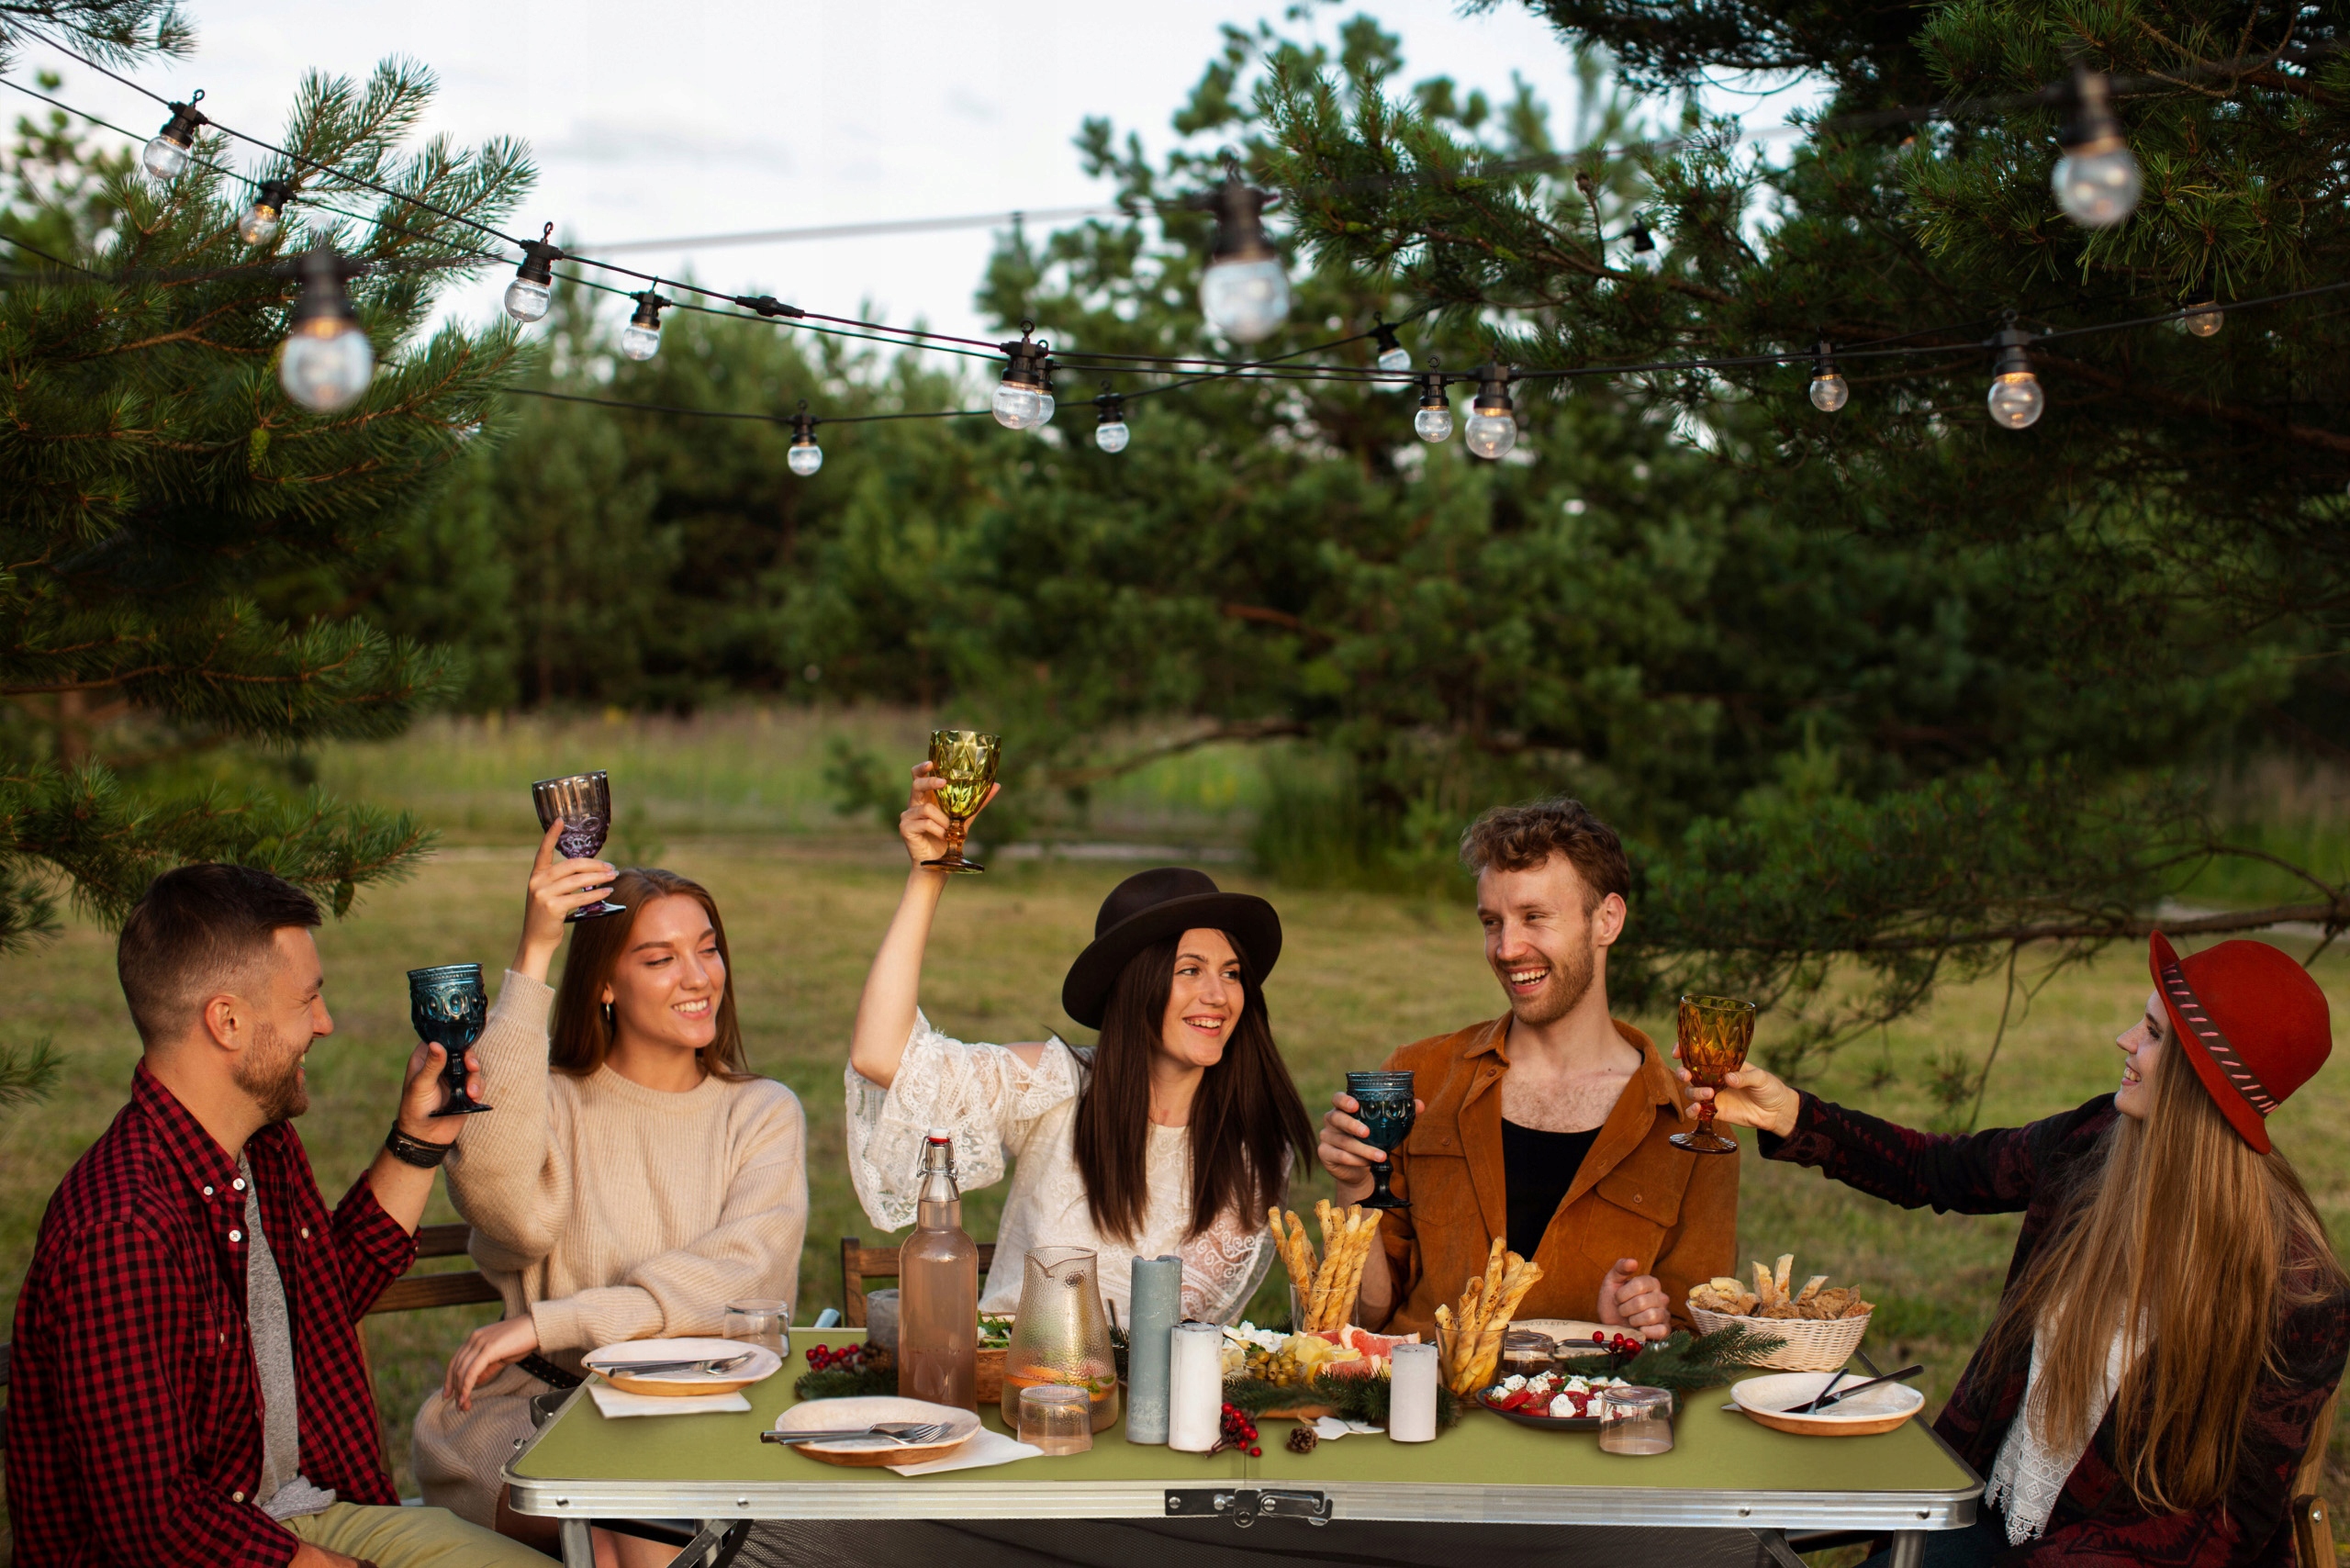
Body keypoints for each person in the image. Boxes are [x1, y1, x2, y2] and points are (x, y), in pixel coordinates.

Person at [1684, 933, 2348, 1565]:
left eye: (2150, 1035)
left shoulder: (2297, 1292)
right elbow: (1940, 1169)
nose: (2125, 1040)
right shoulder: (2094, 1140)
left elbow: (2222, 1530)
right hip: (1989, 1516)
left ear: (2200, 1077)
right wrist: (1793, 1115)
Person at [6, 863, 548, 1568]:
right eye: (308, 999)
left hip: (300, 1515)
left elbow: (321, 1299)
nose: (324, 1024)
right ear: (227, 1021)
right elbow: (149, 1525)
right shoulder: (123, 1230)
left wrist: (418, 1142)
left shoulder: (260, 1147)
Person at [409, 826, 808, 1564]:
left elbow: (743, 1282)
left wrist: (552, 1320)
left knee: (635, 1519)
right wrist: (534, 955)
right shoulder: (552, 1102)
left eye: (709, 947)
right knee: (632, 1518)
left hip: (704, 1413)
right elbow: (508, 1213)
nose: (698, 977)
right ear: (603, 984)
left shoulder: (761, 1113)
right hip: (535, 1415)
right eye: (659, 959)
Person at [845, 763, 1315, 1324]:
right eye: (1189, 970)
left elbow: (1178, 1328)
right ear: (1136, 987)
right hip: (1008, 1388)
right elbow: (881, 1056)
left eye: (1232, 973)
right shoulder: (1058, 1086)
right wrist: (928, 875)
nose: (1218, 994)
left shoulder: (1250, 1146)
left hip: (1152, 1400)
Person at [1317, 797, 1737, 1341]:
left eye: (1534, 917)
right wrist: (1352, 1186)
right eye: (1492, 922)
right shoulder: (1419, 1077)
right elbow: (1364, 1320)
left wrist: (1635, 1334)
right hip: (1429, 1414)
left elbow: (1699, 1344)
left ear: (1607, 920)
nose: (1507, 948)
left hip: (1585, 1419)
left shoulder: (1694, 1126)